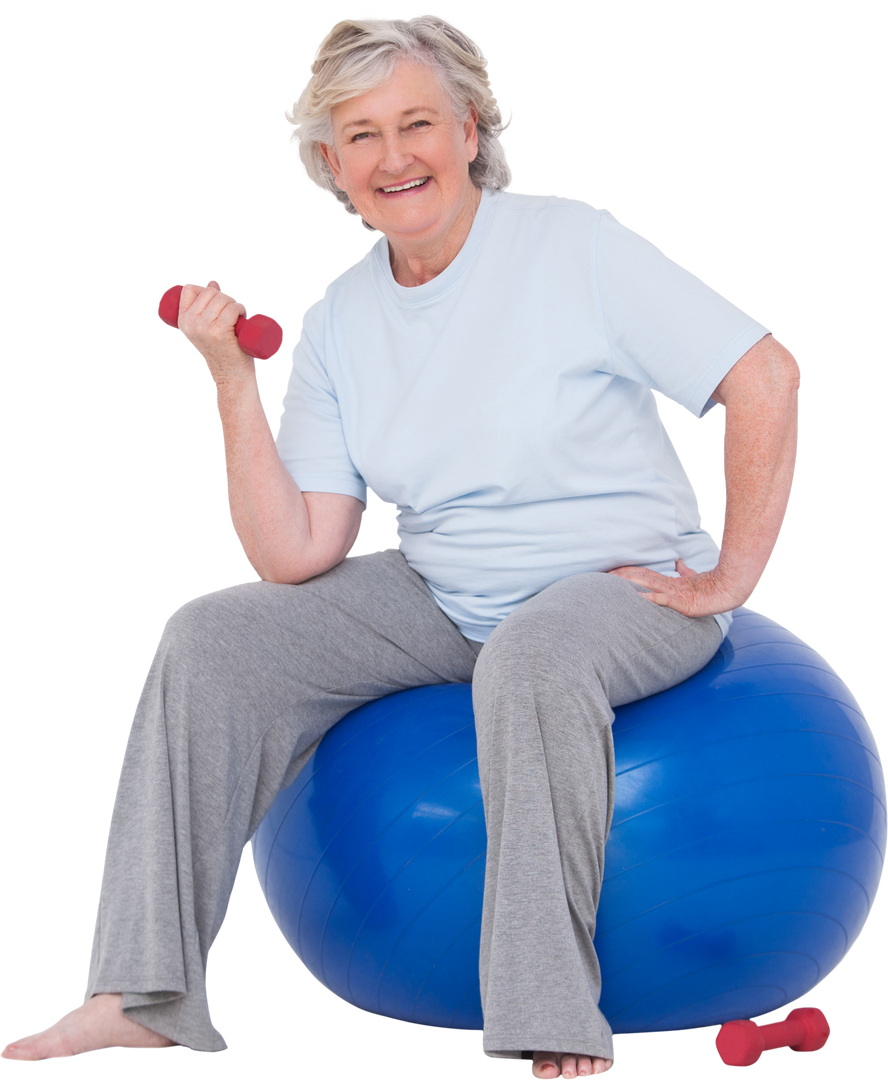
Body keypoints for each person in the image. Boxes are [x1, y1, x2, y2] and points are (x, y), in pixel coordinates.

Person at [1, 9, 802, 1076]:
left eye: (416, 123)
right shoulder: (340, 321)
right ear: (330, 164)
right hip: (448, 593)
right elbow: (297, 552)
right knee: (211, 636)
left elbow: (765, 374)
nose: (394, 157)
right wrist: (233, 384)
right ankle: (143, 992)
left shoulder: (572, 244)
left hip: (618, 594)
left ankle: (553, 1013)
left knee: (537, 651)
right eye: (361, 135)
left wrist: (734, 570)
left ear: (470, 129)